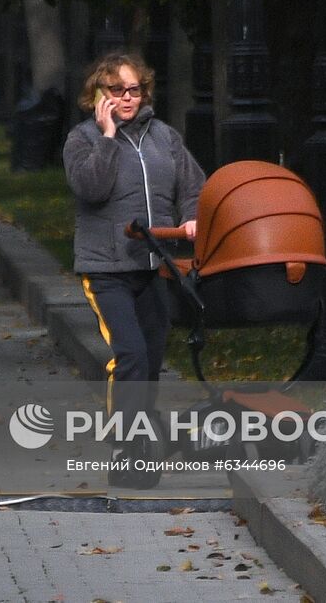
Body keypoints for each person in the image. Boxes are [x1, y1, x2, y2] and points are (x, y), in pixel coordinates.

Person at [61, 53, 205, 481]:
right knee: (131, 356)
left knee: (153, 358)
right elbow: (90, 188)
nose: (127, 98)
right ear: (99, 96)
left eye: (134, 89)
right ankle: (126, 445)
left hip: (155, 266)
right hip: (106, 269)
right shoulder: (83, 139)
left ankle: (143, 443)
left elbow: (192, 187)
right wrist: (107, 138)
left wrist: (191, 216)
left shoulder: (164, 137)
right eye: (117, 90)